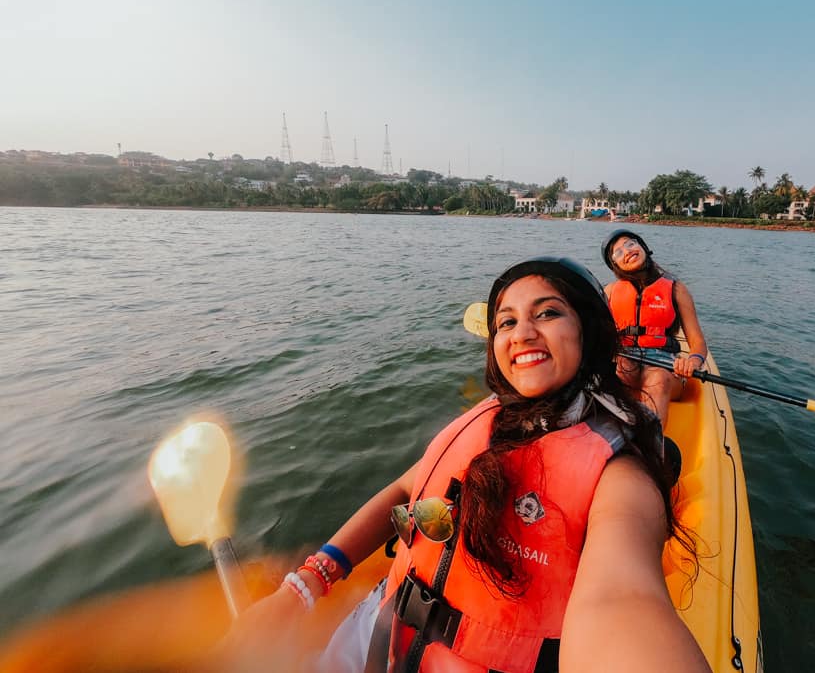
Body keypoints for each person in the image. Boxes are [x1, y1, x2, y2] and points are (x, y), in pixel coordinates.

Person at [215, 257, 710, 673]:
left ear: (588, 333)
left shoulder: (618, 473)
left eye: (548, 313)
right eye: (507, 322)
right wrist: (303, 588)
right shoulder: (487, 418)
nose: (523, 333)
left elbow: (623, 600)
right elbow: (403, 490)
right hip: (378, 634)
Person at [601, 230, 709, 428]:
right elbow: (599, 335)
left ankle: (651, 445)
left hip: (665, 365)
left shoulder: (676, 289)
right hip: (626, 359)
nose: (627, 251)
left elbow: (698, 342)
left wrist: (693, 361)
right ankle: (613, 439)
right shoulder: (609, 292)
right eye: (617, 252)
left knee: (657, 379)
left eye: (631, 244)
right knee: (620, 368)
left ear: (643, 247)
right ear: (615, 265)